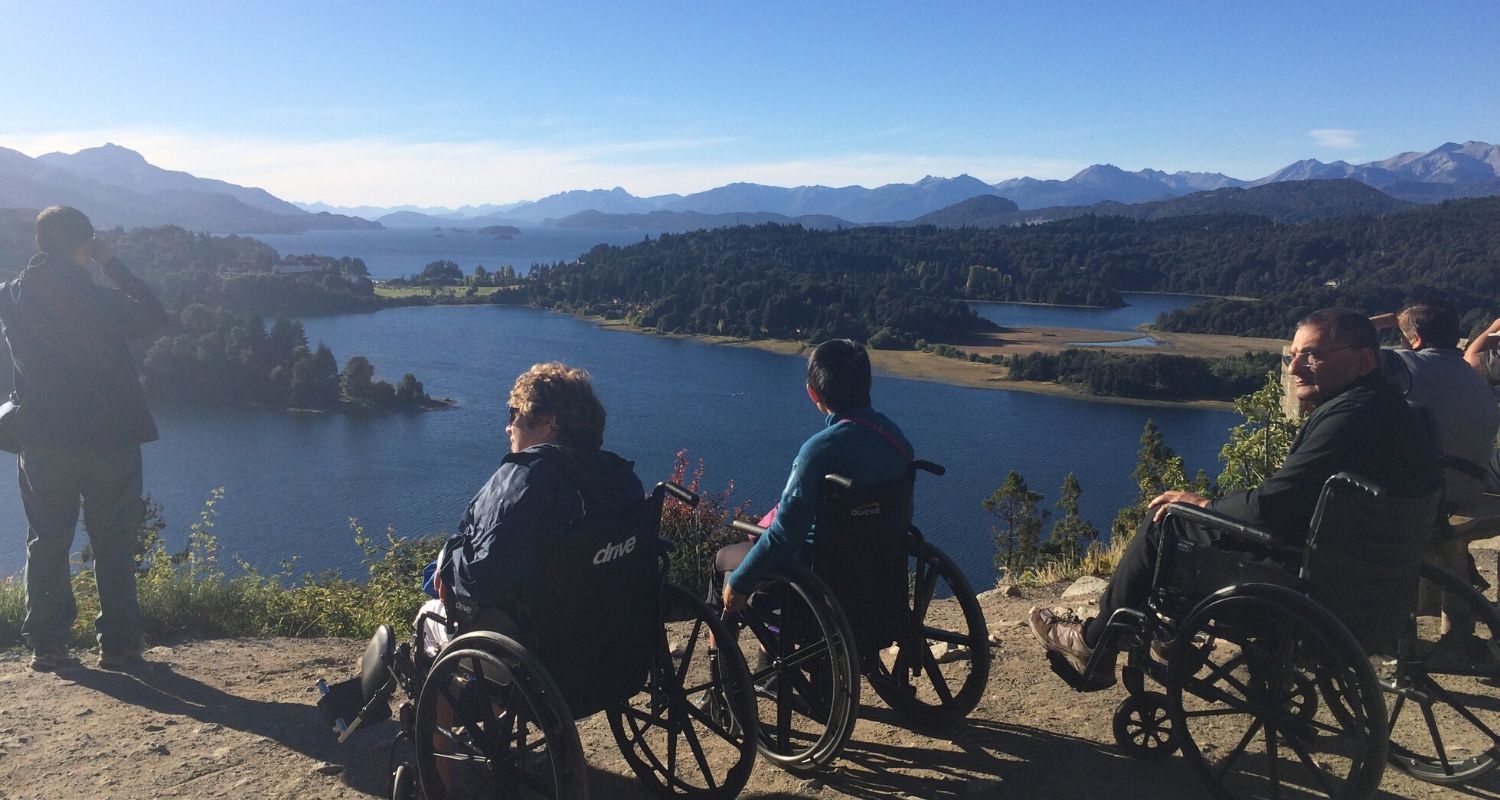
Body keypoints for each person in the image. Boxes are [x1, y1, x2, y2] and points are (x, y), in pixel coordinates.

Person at [1030, 308, 1442, 674]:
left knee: (1167, 522)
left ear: (1364, 358)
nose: (1295, 367)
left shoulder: (1347, 419)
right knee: (1196, 522)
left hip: (1307, 584)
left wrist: (1204, 503)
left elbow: (1270, 509)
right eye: (1291, 355)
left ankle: (1095, 641)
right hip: (1372, 579)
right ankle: (1167, 635)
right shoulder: (1398, 410)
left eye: (1311, 355)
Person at [0, 206, 167, 671]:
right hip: (109, 439)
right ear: (86, 245)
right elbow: (153, 314)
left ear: (38, 244)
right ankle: (119, 645)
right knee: (113, 539)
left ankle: (48, 644)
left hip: (43, 439)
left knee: (47, 539)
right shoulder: (100, 299)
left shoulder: (11, 298)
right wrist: (110, 263)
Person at [417, 362, 642, 655]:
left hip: (536, 645)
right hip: (605, 639)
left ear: (549, 422)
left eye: (515, 414)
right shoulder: (618, 476)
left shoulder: (525, 478)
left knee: (427, 614)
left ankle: (465, 699)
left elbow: (482, 576)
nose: (508, 426)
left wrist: (447, 564)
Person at [714, 338, 912, 613]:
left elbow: (785, 535)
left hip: (821, 580)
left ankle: (720, 655)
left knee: (724, 560)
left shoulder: (817, 452)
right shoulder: (896, 439)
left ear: (812, 393)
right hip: (879, 574)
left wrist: (740, 581)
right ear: (869, 384)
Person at [1372, 301, 1499, 513]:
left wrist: (1370, 326)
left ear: (1416, 340)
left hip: (1421, 495)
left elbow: (1341, 354)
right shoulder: (1474, 378)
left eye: (1402, 336)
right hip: (1467, 490)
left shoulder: (1402, 364)